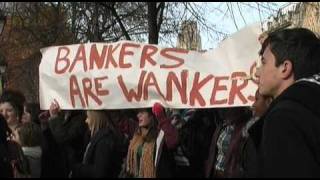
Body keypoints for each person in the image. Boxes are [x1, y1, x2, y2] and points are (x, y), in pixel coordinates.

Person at [251, 28, 320, 177]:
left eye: (264, 62)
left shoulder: (283, 119)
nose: (257, 72)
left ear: (285, 68)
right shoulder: (309, 108)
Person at [124, 103, 178, 178]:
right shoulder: (137, 132)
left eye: (142, 112)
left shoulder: (160, 133)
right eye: (138, 112)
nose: (138, 115)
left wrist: (161, 117)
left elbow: (172, 142)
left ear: (152, 115)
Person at [71, 110, 125, 177]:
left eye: (88, 117)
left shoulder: (104, 141)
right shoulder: (98, 137)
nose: (86, 121)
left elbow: (99, 172)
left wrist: (77, 168)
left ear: (96, 119)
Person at [205, 107, 251, 178]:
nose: (224, 109)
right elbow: (213, 151)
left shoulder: (245, 127)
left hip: (231, 173)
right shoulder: (222, 125)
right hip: (215, 172)